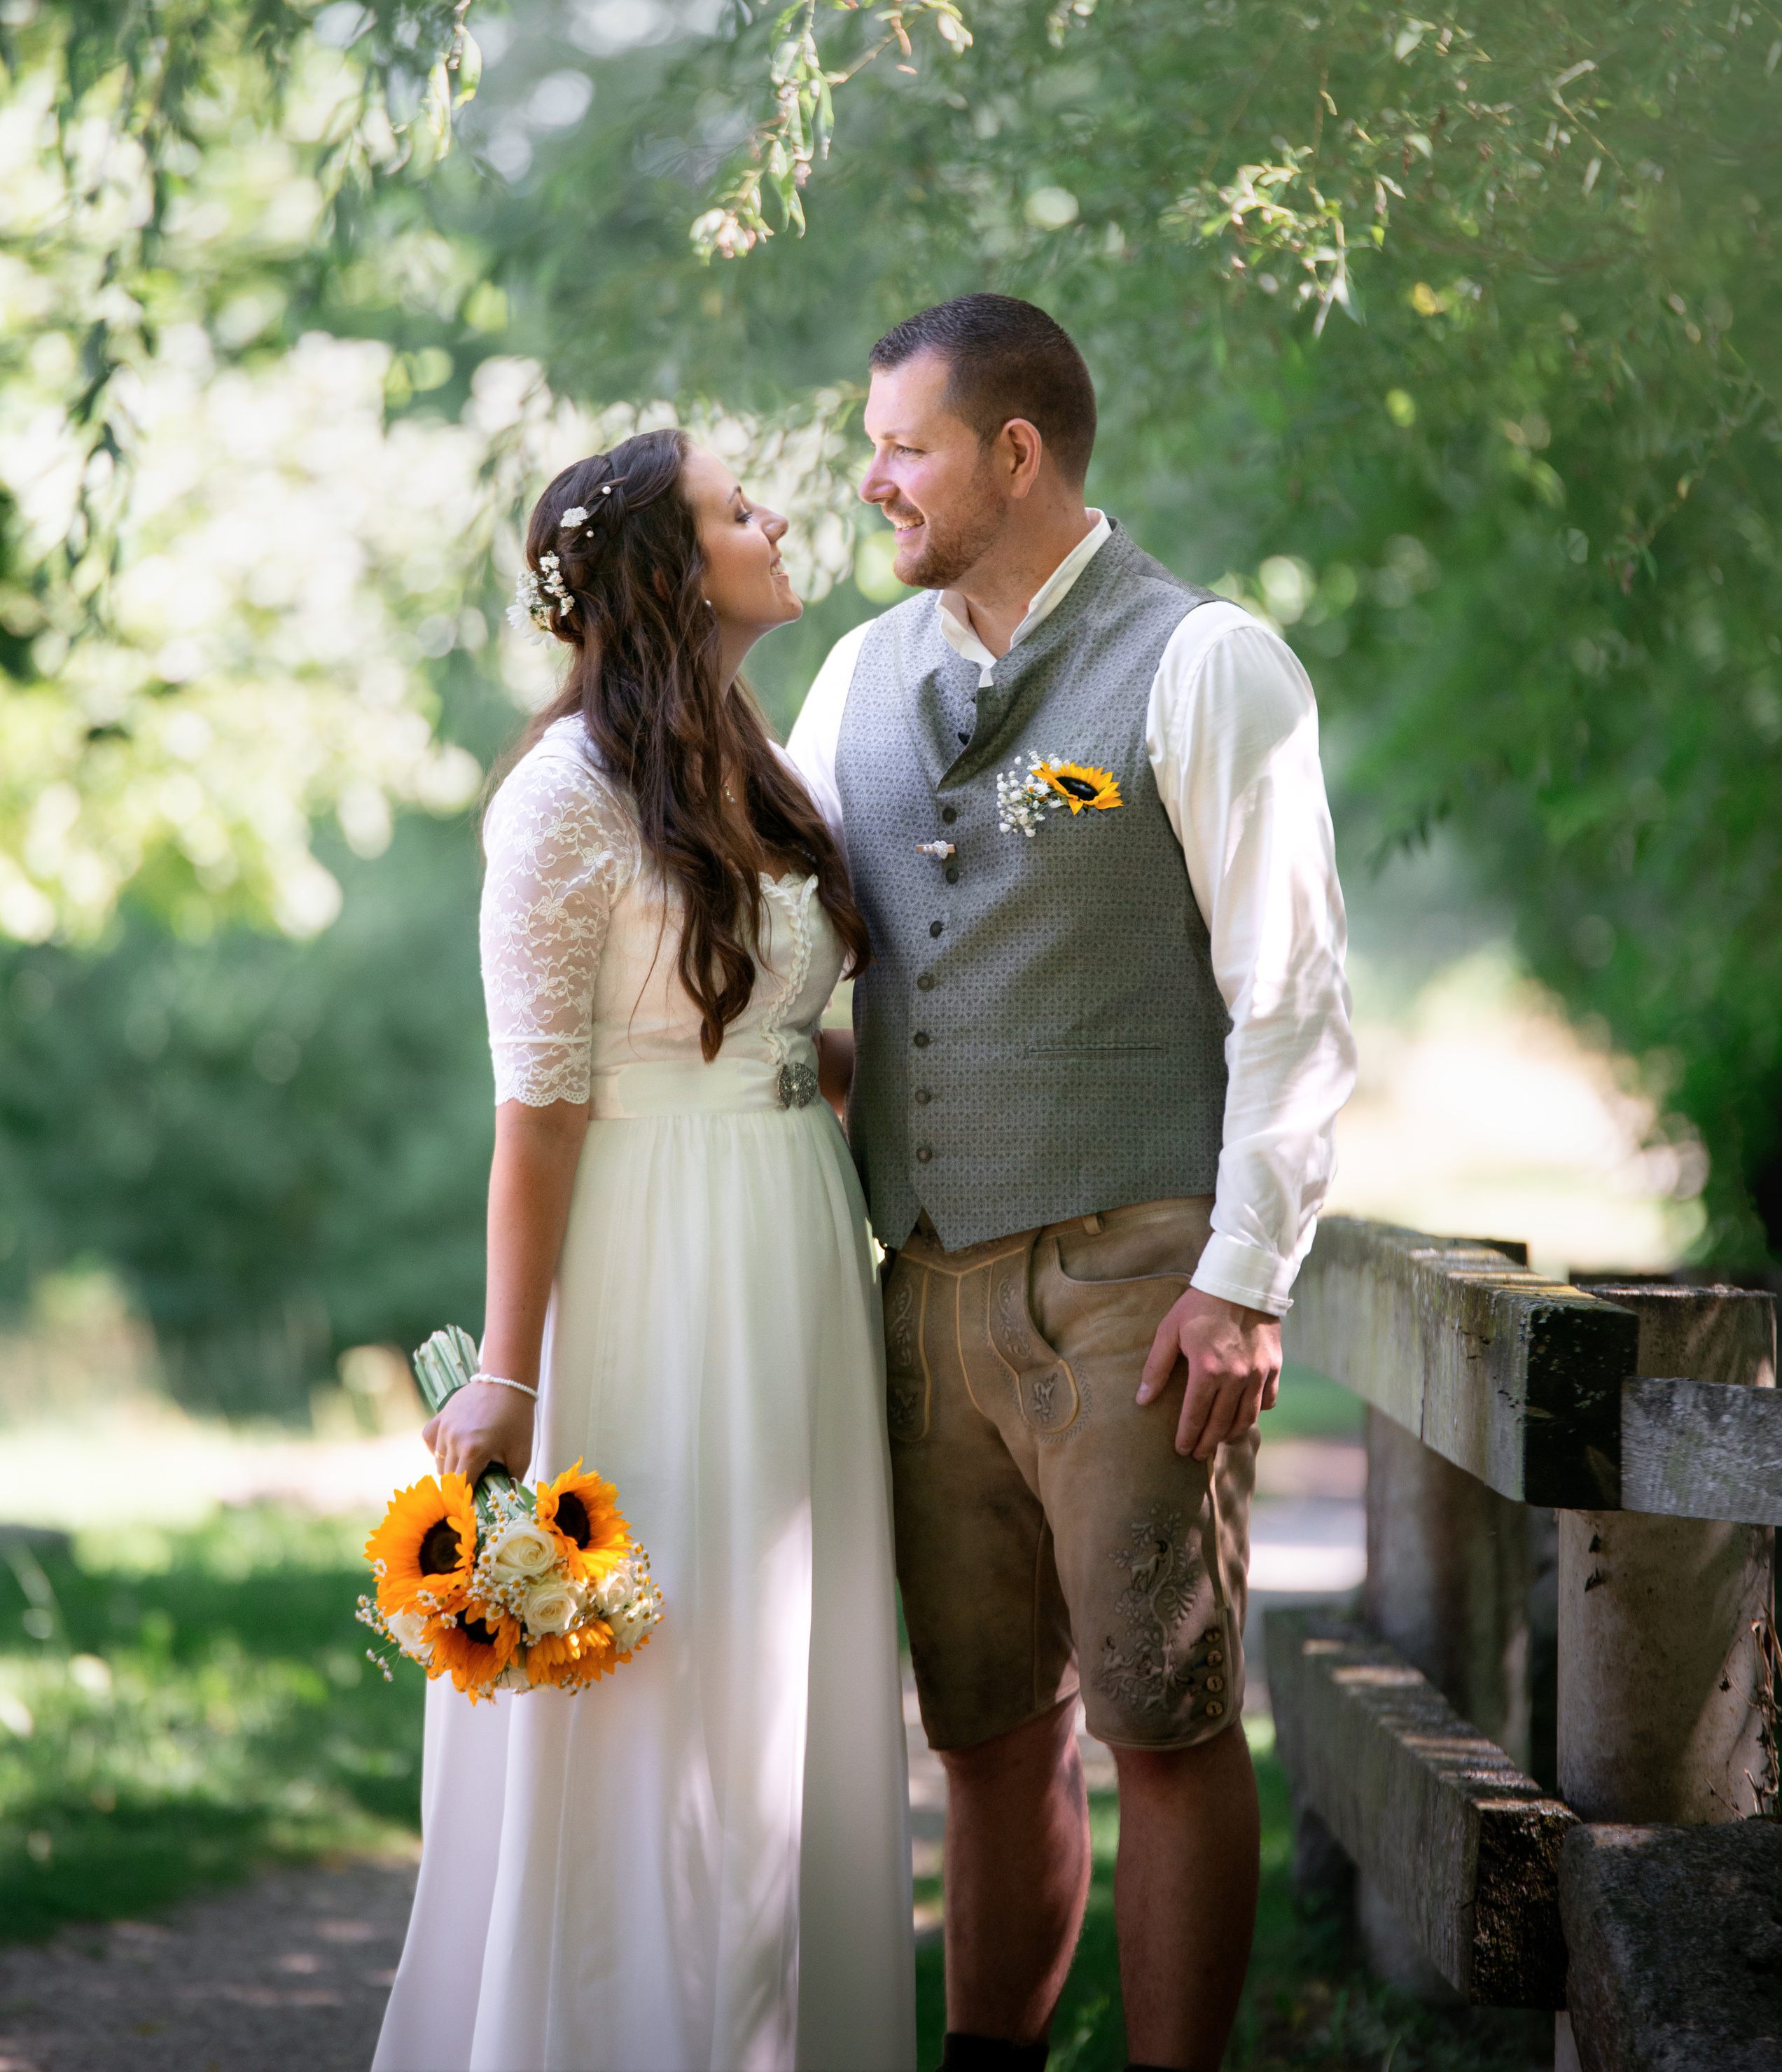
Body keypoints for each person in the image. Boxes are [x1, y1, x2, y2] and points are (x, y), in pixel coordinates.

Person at [788, 295, 1355, 2072]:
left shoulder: (1205, 662)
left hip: (1137, 1275)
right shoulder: (855, 679)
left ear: (1012, 453)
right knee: (981, 1736)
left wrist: (1245, 1274)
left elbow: (1293, 995)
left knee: (1165, 1719)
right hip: (927, 1278)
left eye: (904, 444)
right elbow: (786, 959)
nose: (871, 477)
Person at [373, 429, 914, 2072]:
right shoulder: (558, 799)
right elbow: (536, 1110)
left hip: (792, 1251)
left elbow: (778, 1029)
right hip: (645, 1268)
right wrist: (509, 1374)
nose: (777, 516)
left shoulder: (762, 768)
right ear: (670, 570)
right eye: (735, 507)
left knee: (776, 1682)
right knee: (647, 1684)